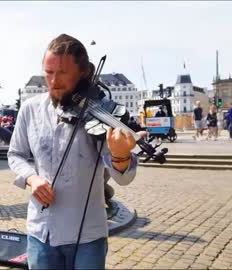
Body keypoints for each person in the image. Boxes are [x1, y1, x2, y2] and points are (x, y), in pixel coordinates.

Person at [8, 34, 144, 269]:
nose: (53, 81)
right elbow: (16, 154)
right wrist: (32, 178)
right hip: (41, 231)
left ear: (82, 73)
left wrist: (121, 155)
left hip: (88, 235)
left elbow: (124, 177)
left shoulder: (100, 113)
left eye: (62, 73)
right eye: (48, 73)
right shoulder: (30, 109)